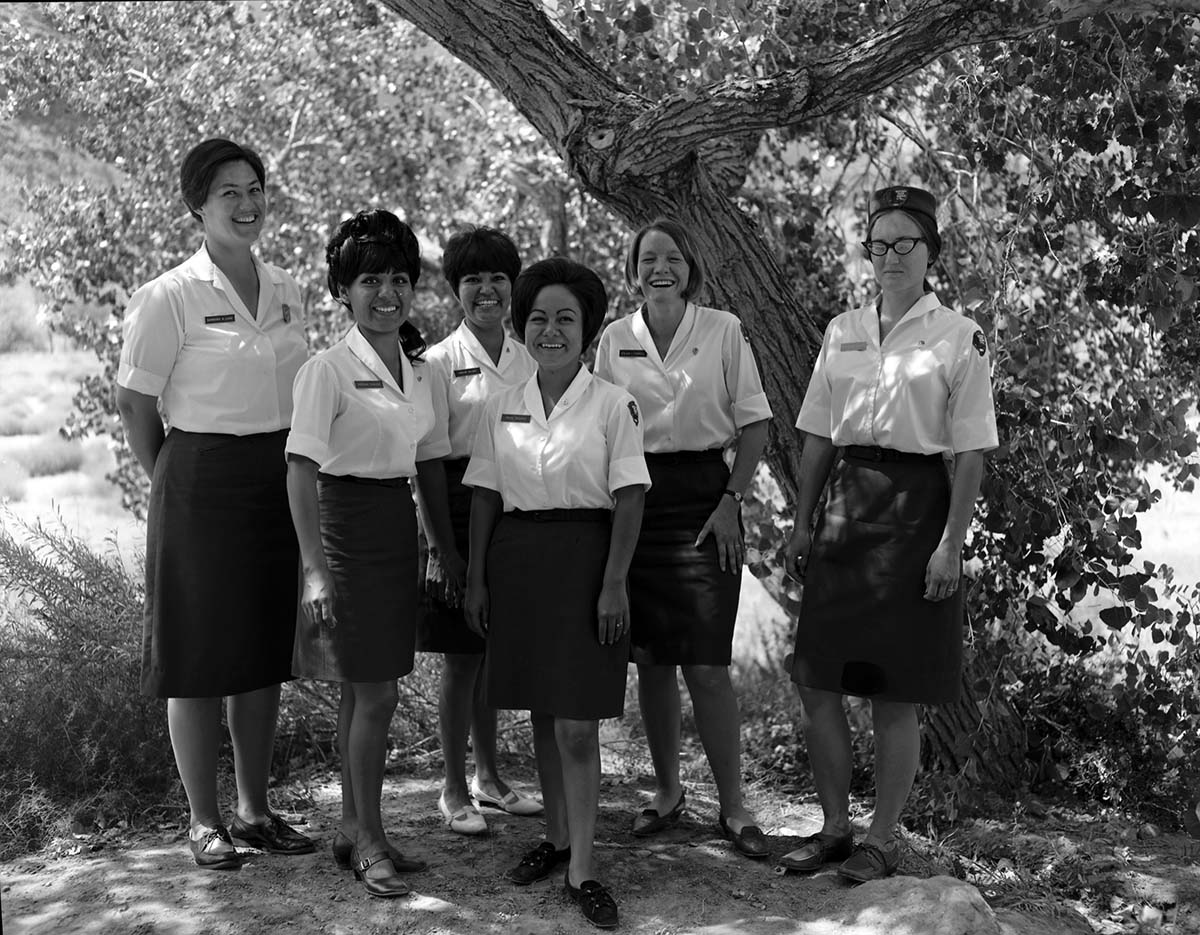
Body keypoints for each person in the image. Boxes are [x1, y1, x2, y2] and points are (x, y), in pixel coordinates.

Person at [779, 185, 997, 882]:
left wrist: (949, 544)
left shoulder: (959, 336)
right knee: (818, 678)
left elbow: (970, 452)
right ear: (867, 251)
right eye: (880, 242)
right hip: (846, 502)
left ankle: (881, 838)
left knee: (892, 691)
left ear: (932, 251)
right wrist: (802, 521)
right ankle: (835, 826)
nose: (891, 254)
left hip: (915, 511)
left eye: (906, 242)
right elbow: (816, 437)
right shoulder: (841, 329)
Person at [115, 138, 314, 870]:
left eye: (255, 187)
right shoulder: (168, 295)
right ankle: (204, 821)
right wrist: (172, 472)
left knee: (262, 650)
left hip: (278, 475)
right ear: (196, 204)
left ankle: (256, 810)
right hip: (197, 476)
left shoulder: (289, 287)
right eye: (228, 190)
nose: (247, 202)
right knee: (198, 654)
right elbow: (135, 402)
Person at [464, 257, 649, 930]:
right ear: (522, 326)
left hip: (586, 560)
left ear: (588, 328)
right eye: (538, 317)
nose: (550, 329)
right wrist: (478, 576)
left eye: (565, 318)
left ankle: (585, 868)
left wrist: (613, 582)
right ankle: (560, 836)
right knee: (542, 709)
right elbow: (485, 494)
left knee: (576, 719)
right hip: (518, 562)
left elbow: (630, 497)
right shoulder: (501, 402)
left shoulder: (612, 403)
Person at [286, 209, 453, 898]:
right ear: (343, 292)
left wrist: (444, 549)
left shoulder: (418, 372)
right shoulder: (326, 369)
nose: (387, 293)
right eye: (370, 281)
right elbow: (299, 470)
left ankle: (356, 827)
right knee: (377, 692)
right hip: (343, 529)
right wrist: (315, 568)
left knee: (366, 691)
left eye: (398, 279)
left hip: (395, 530)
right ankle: (371, 841)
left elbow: (427, 469)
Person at [594, 218, 772, 859]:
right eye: (648, 259)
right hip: (637, 500)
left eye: (672, 257)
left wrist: (731, 501)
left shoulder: (723, 330)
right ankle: (667, 794)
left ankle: (735, 806)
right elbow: (603, 431)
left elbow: (755, 426)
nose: (659, 268)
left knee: (707, 664)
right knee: (654, 662)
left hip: (705, 500)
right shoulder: (615, 339)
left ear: (691, 268)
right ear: (634, 269)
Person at [414, 226, 541, 836]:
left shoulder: (530, 356)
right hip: (459, 511)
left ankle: (491, 779)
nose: (486, 290)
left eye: (496, 278)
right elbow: (428, 462)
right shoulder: (437, 364)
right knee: (462, 659)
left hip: (517, 508)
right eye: (472, 280)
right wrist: (442, 546)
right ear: (454, 290)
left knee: (493, 654)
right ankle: (453, 787)